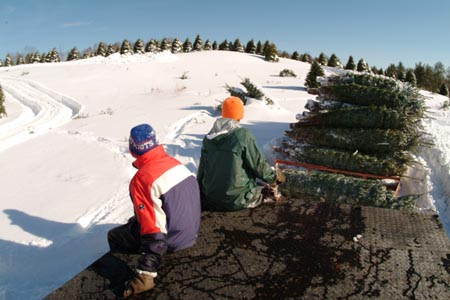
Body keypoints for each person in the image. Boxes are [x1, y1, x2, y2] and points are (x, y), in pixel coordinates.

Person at [107, 124, 201, 297]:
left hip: (172, 240)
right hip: (192, 233)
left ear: (133, 149)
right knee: (137, 221)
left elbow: (153, 229)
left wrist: (146, 274)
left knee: (115, 236)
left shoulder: (142, 180)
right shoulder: (177, 164)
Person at [197, 96, 285, 211]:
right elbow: (258, 165)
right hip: (238, 199)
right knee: (265, 190)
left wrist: (199, 193)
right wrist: (275, 177)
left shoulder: (208, 139)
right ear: (240, 114)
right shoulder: (242, 135)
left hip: (211, 198)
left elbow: (202, 171)